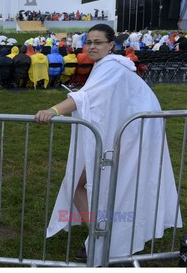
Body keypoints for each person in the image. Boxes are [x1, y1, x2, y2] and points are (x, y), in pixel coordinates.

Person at [34, 24, 181, 265]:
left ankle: (104, 240)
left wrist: (53, 110)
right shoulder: (108, 65)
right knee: (96, 188)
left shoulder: (111, 66)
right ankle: (101, 237)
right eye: (88, 42)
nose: (91, 46)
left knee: (103, 188)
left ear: (111, 45)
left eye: (98, 42)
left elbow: (86, 97)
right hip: (130, 134)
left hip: (133, 137)